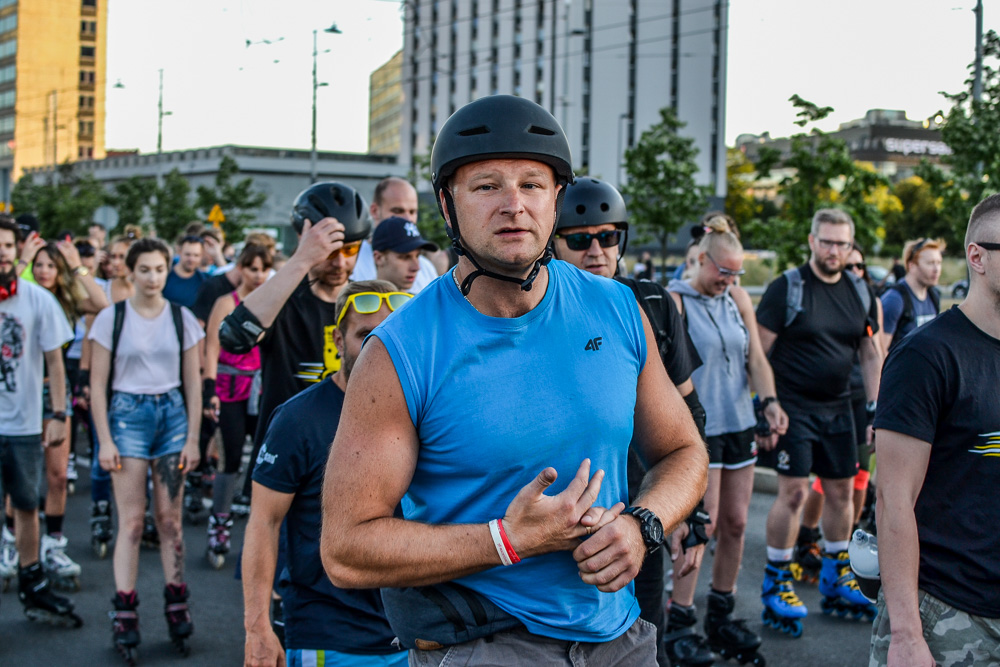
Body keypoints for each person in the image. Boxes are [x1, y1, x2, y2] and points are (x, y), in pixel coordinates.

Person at [320, 95, 707, 664]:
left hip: (619, 635)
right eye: (486, 186)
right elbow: (347, 548)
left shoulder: (617, 308)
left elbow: (683, 451)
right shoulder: (400, 351)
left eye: (531, 184)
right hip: (485, 643)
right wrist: (508, 540)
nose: (513, 206)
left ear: (556, 199)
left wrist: (642, 526)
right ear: (448, 206)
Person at [550, 177, 710, 667]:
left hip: (644, 507)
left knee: (644, 637)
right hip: (569, 512)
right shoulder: (537, 308)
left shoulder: (652, 303)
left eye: (608, 237)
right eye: (579, 239)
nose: (596, 250)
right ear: (552, 243)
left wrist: (686, 511)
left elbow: (691, 414)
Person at [243, 280, 410, 667]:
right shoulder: (297, 419)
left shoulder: (423, 412)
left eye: (390, 334)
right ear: (337, 339)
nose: (379, 348)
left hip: (414, 635)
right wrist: (257, 628)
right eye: (365, 335)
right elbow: (263, 522)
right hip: (331, 637)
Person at [870, 194, 1000, 667]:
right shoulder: (927, 355)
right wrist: (906, 633)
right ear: (977, 256)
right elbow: (893, 499)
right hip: (946, 611)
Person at [754, 208, 882, 637]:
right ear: (811, 241)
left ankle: (835, 573)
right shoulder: (786, 288)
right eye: (826, 242)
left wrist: (875, 408)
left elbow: (869, 352)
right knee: (792, 494)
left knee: (843, 491)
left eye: (842, 244)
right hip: (794, 409)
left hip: (840, 408)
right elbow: (760, 352)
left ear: (851, 246)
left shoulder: (860, 290)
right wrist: (766, 403)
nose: (834, 251)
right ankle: (776, 580)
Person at [667, 220, 789, 665]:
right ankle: (678, 618)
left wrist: (770, 401)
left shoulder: (736, 298)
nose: (730, 281)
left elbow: (755, 357)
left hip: (739, 423)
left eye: (737, 274)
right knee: (704, 523)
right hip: (700, 428)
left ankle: (721, 612)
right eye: (723, 271)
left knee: (737, 523)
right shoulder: (675, 301)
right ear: (701, 259)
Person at [219, 182, 371, 507]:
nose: (340, 263)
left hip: (349, 462)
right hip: (285, 465)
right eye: (329, 251)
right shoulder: (286, 300)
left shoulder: (366, 304)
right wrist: (301, 259)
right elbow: (233, 338)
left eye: (349, 251)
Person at [88, 238, 204, 660]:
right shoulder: (110, 318)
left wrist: (193, 437)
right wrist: (103, 438)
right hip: (127, 415)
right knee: (133, 523)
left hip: (172, 415)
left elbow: (193, 381)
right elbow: (97, 385)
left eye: (159, 269)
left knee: (170, 521)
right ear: (130, 273)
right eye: (145, 270)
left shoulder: (183, 318)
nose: (153, 277)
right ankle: (125, 610)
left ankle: (176, 601)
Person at [0, 216, 80, 627]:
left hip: (24, 425)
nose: (2, 253)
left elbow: (56, 361)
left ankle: (32, 582)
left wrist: (59, 413)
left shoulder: (37, 299)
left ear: (18, 251)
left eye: (8, 246)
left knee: (28, 506)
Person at [794, 243, 885, 581]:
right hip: (831, 398)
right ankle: (807, 537)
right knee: (824, 481)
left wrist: (879, 404)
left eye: (860, 267)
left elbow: (878, 349)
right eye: (850, 267)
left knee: (857, 478)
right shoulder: (819, 295)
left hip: (862, 398)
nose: (855, 273)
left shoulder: (867, 299)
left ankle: (842, 552)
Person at [29, 240, 109, 591]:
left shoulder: (66, 299)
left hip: (58, 391)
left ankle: (53, 542)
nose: (44, 271)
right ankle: (13, 541)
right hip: (23, 392)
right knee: (21, 474)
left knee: (58, 474)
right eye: (39, 264)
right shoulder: (21, 295)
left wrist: (78, 267)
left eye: (51, 265)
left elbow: (102, 304)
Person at [201, 244, 272, 567]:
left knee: (262, 461)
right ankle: (219, 524)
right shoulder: (224, 302)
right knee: (228, 458)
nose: (258, 275)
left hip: (259, 387)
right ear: (240, 268)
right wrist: (209, 389)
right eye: (252, 268)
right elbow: (211, 348)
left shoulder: (272, 301)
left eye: (263, 268)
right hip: (229, 389)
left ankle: (261, 532)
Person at [350, 176, 440, 293]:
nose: (408, 219)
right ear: (374, 211)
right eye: (398, 211)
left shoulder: (426, 268)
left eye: (412, 212)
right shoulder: (351, 259)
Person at [880, 237, 944, 350]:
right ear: (912, 265)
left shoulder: (934, 296)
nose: (936, 269)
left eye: (939, 263)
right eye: (930, 263)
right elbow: (880, 351)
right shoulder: (894, 299)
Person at [371, 216, 440, 294]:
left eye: (417, 256)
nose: (416, 267)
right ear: (378, 258)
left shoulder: (420, 301)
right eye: (405, 257)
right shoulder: (358, 302)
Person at [163, 234, 208, 309]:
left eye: (196, 255)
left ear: (201, 256)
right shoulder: (165, 276)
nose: (191, 259)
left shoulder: (205, 280)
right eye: (187, 254)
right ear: (180, 252)